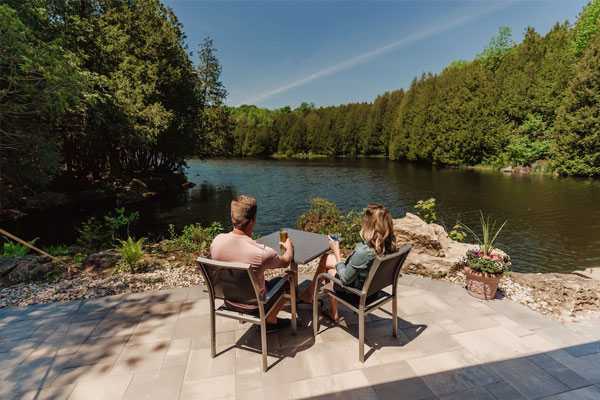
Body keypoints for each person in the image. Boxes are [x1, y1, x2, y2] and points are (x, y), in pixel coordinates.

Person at [297, 203, 397, 321]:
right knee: (326, 259)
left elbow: (344, 279)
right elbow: (369, 264)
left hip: (358, 295)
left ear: (369, 224)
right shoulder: (388, 244)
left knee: (329, 270)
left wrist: (336, 250)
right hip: (373, 290)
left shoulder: (363, 251)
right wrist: (348, 260)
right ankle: (309, 295)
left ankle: (328, 309)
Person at [210, 195, 294, 332]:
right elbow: (285, 262)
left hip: (229, 301)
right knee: (289, 277)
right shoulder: (261, 253)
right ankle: (270, 321)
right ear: (254, 219)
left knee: (260, 279)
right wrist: (289, 247)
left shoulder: (217, 242)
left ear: (232, 217)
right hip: (255, 306)